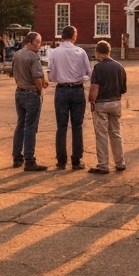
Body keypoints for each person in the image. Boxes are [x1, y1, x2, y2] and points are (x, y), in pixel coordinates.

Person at [50, 26, 91, 170]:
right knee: (77, 126)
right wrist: (80, 78)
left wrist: (61, 77)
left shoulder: (54, 52)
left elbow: (51, 75)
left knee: (61, 127)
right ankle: (76, 160)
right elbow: (88, 73)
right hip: (77, 89)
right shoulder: (80, 52)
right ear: (74, 36)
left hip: (61, 89)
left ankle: (61, 160)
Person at [87, 40, 127, 174]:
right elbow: (123, 88)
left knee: (102, 134)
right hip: (116, 102)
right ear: (109, 52)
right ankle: (120, 162)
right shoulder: (120, 67)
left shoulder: (98, 68)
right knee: (116, 133)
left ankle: (103, 164)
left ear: (98, 52)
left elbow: (94, 87)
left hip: (102, 103)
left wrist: (91, 100)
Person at [11, 31, 48, 171]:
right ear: (31, 42)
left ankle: (17, 157)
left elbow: (14, 74)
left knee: (21, 124)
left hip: (19, 91)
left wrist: (20, 84)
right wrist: (39, 90)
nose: (40, 45)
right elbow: (38, 78)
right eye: (38, 42)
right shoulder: (33, 57)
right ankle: (29, 160)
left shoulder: (17, 54)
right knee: (30, 127)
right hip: (31, 93)